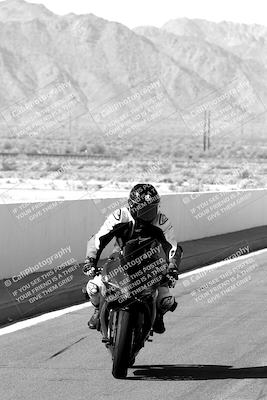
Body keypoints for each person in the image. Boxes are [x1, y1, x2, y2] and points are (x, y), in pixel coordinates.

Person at [83, 183, 183, 334]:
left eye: (152, 208)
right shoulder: (120, 216)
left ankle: (158, 315)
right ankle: (98, 309)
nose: (149, 214)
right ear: (132, 206)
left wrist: (172, 268)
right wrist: (90, 261)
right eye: (144, 210)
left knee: (166, 300)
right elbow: (98, 239)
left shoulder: (161, 221)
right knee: (93, 288)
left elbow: (173, 247)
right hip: (119, 259)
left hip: (151, 263)